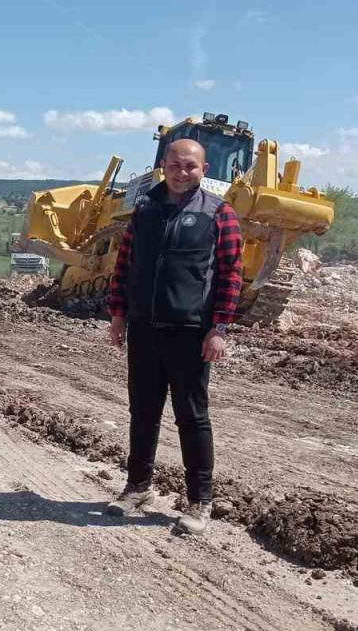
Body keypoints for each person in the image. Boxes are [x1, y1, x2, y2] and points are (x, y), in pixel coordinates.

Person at [103, 138, 243, 534]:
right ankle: (137, 488)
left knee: (192, 417)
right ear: (163, 164)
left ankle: (200, 501)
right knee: (142, 412)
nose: (183, 172)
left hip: (191, 332)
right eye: (176, 165)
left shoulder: (219, 213)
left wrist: (220, 328)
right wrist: (118, 315)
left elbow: (232, 274)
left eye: (191, 166)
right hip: (144, 328)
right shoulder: (144, 209)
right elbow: (124, 264)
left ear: (204, 169)